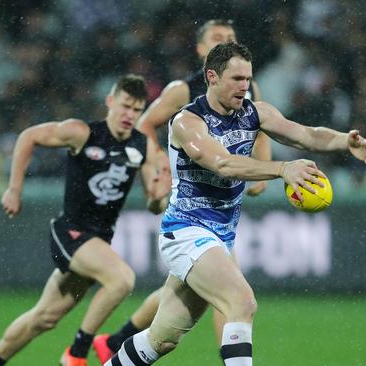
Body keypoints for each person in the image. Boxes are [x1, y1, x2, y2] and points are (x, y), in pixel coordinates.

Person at [105, 42, 366, 366]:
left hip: (219, 237)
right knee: (242, 301)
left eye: (248, 78)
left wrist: (344, 141)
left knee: (161, 340)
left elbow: (305, 134)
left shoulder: (255, 112)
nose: (244, 86)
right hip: (186, 231)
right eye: (236, 78)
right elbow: (222, 163)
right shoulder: (187, 122)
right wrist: (281, 169)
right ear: (212, 77)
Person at [92, 19, 272, 364]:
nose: (225, 43)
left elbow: (260, 129)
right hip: (188, 201)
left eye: (231, 39)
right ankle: (232, 358)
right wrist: (157, 166)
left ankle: (116, 341)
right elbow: (144, 125)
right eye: (217, 39)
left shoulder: (246, 91)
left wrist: (260, 168)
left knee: (179, 303)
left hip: (219, 205)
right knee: (234, 295)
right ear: (202, 51)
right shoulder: (182, 91)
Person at [0, 74, 170, 366]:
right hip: (71, 232)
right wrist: (14, 188)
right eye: (125, 106)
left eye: (136, 110)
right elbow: (29, 136)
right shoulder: (83, 133)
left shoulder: (143, 147)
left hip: (97, 242)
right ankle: (77, 352)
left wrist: (158, 198)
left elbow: (154, 202)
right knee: (122, 279)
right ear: (110, 102)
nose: (129, 115)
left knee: (44, 317)